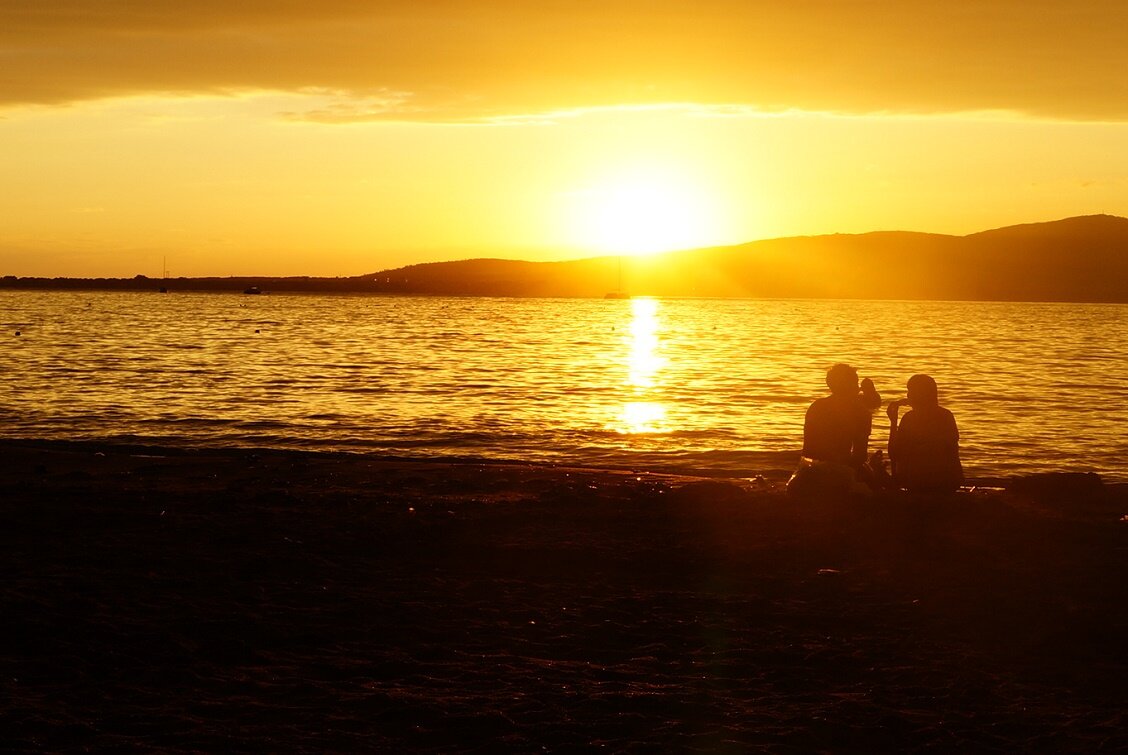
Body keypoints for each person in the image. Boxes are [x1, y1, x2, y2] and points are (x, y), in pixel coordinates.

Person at [788, 363, 877, 496]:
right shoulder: (860, 412)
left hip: (807, 473)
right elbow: (860, 456)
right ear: (852, 386)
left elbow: (808, 450)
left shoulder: (816, 407)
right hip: (837, 474)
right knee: (874, 480)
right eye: (856, 383)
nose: (858, 388)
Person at [886, 374, 963, 493]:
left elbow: (894, 454)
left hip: (919, 480)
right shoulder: (946, 415)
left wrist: (893, 422)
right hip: (948, 480)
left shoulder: (910, 418)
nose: (908, 395)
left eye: (911, 391)